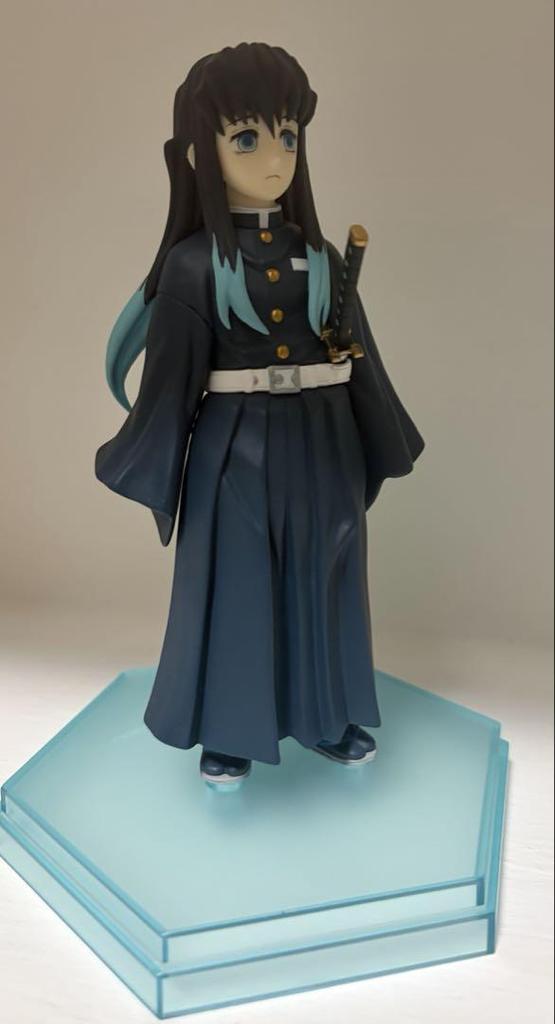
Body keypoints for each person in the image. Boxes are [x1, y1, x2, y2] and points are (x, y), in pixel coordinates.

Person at [95, 42, 424, 788]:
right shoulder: (192, 266)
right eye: (246, 138)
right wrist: (150, 458)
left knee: (326, 572)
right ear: (199, 151)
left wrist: (376, 439)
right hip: (233, 447)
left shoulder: (323, 260)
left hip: (324, 438)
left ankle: (326, 714)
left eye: (288, 136)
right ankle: (230, 728)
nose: (274, 158)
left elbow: (362, 359)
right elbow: (171, 383)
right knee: (238, 581)